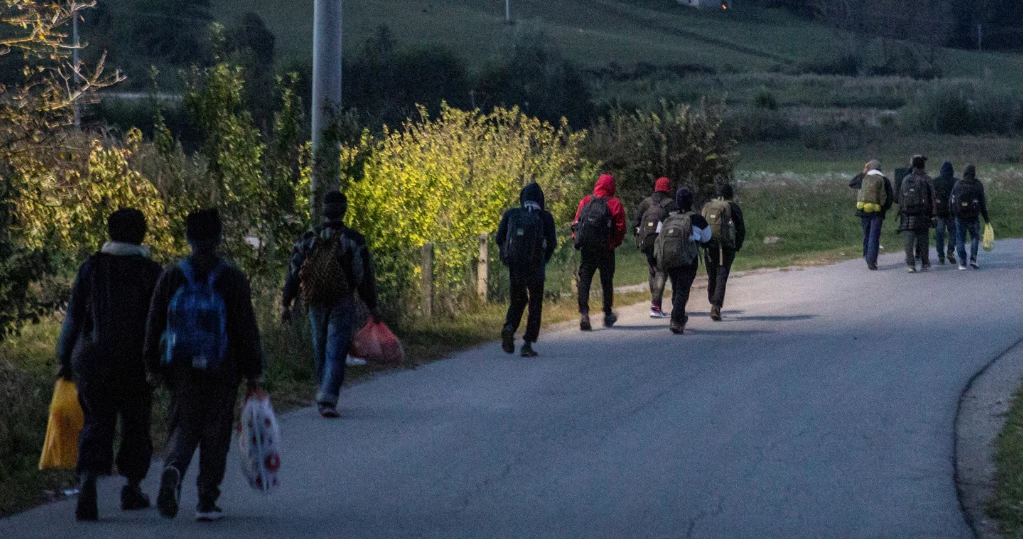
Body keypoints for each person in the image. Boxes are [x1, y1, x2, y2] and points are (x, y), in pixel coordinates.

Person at [145, 209, 264, 522]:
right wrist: (254, 371)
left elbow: (154, 321)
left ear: (188, 238)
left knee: (184, 424)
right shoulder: (232, 278)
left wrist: (152, 364)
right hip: (222, 367)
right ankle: (206, 500)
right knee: (216, 430)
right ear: (219, 238)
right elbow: (245, 327)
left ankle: (174, 469)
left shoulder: (171, 276)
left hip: (180, 366)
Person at [56, 209, 163, 522]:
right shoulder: (152, 272)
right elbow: (160, 323)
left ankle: (89, 480)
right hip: (136, 362)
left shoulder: (91, 268)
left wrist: (63, 357)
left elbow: (73, 317)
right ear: (141, 235)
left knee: (96, 421)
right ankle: (132, 488)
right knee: (136, 424)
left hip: (92, 361)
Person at [281, 191, 380, 418]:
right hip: (342, 300)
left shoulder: (308, 239)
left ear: (324, 210)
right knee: (336, 349)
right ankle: (327, 398)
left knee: (320, 345)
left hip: (315, 300)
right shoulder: (354, 240)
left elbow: (294, 272)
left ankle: (322, 389)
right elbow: (363, 277)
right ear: (344, 210)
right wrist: (372, 305)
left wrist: (286, 302)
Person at [496, 183, 557, 357]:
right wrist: (545, 259)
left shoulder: (511, 214)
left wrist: (508, 256)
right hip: (536, 267)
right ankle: (527, 343)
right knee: (535, 303)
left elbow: (499, 238)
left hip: (515, 266)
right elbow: (552, 243)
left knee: (518, 300)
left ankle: (509, 326)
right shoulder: (545, 217)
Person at [573, 173, 627, 331]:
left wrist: (577, 240)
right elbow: (620, 228)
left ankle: (584, 314)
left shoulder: (586, 201)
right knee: (606, 280)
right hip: (605, 248)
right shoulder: (614, 203)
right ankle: (607, 313)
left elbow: (577, 222)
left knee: (585, 279)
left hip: (587, 248)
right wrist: (613, 243)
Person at [656, 188, 711, 334]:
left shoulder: (666, 216)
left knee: (676, 286)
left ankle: (678, 316)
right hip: (688, 259)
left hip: (669, 257)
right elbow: (708, 238)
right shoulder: (697, 219)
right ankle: (676, 319)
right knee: (682, 289)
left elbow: (658, 234)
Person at [634, 177, 677, 318]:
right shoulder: (670, 204)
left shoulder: (645, 203)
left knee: (653, 271)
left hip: (646, 242)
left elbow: (635, 224)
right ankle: (656, 305)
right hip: (662, 243)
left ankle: (655, 302)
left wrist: (640, 240)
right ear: (668, 189)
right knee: (661, 272)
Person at [702, 183, 746, 322]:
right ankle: (716, 305)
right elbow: (741, 229)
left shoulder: (709, 206)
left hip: (709, 245)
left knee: (712, 274)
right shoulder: (733, 207)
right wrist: (736, 246)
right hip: (726, 247)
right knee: (722, 274)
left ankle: (712, 298)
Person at [850, 160, 894, 271]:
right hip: (877, 212)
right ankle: (871, 260)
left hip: (863, 210)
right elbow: (890, 198)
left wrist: (863, 172)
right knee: (874, 235)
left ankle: (866, 255)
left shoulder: (864, 178)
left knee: (866, 234)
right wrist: (883, 210)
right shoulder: (884, 179)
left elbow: (852, 183)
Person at [899, 155, 936, 273]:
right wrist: (933, 214)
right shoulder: (927, 179)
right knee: (923, 239)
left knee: (909, 240)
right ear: (923, 166)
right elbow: (932, 198)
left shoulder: (906, 179)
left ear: (913, 166)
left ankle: (911, 264)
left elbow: (900, 197)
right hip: (922, 214)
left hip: (907, 214)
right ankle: (925, 263)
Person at [950, 164, 991, 270]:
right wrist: (986, 217)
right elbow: (982, 202)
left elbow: (952, 200)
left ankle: (962, 262)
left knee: (960, 239)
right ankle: (973, 259)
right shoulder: (978, 184)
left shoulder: (958, 184)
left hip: (960, 216)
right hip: (973, 216)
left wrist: (952, 213)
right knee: (974, 237)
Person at [933, 161, 959, 265]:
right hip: (952, 212)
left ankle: (940, 256)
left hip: (939, 212)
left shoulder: (935, 181)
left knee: (939, 234)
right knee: (953, 232)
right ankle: (950, 251)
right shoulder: (956, 181)